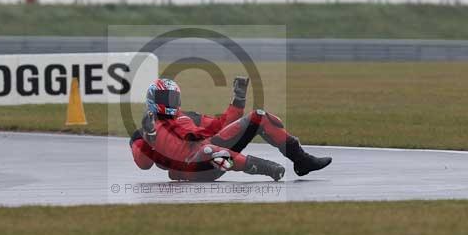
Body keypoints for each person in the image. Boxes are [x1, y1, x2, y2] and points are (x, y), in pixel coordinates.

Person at [129, 77, 332, 181]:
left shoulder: (188, 116)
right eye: (165, 98)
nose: (170, 102)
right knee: (209, 150)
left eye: (173, 97)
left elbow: (223, 125)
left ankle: (302, 161)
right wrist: (150, 136)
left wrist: (238, 99)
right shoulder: (141, 133)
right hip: (190, 169)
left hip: (211, 151)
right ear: (152, 100)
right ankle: (266, 167)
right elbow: (143, 164)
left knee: (260, 116)